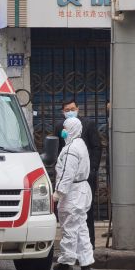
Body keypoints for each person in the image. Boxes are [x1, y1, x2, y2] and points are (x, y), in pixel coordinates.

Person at [54, 98, 102, 248]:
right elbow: (57, 151)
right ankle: (76, 250)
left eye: (72, 109)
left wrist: (92, 169)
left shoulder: (87, 125)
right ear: (63, 112)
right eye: (67, 110)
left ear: (78, 109)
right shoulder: (60, 128)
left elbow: (96, 147)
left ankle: (88, 246)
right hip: (68, 181)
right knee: (69, 216)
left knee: (85, 213)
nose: (70, 112)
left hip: (84, 179)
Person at [53, 117, 95, 270]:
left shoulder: (71, 149)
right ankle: (86, 260)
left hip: (73, 192)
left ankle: (66, 261)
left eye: (65, 127)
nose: (63, 130)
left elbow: (66, 174)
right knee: (81, 226)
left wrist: (57, 193)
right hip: (82, 190)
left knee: (69, 226)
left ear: (70, 129)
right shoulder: (80, 144)